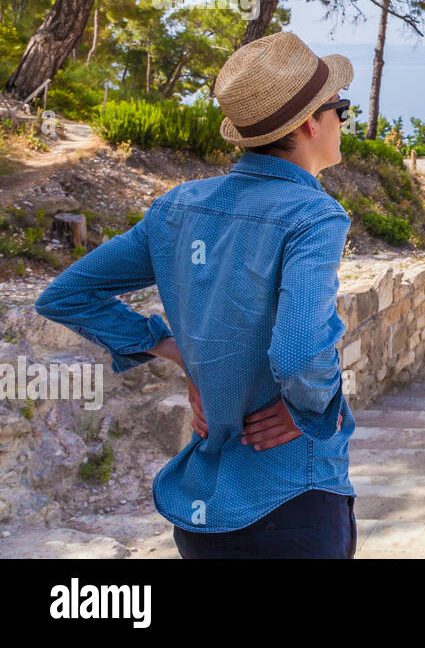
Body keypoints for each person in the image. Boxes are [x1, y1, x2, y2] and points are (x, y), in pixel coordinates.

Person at [36, 31, 358, 558]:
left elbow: (68, 294)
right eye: (340, 109)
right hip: (292, 500)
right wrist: (313, 413)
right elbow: (300, 351)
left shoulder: (179, 206)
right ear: (309, 124)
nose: (343, 122)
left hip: (204, 509)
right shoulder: (313, 215)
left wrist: (171, 348)